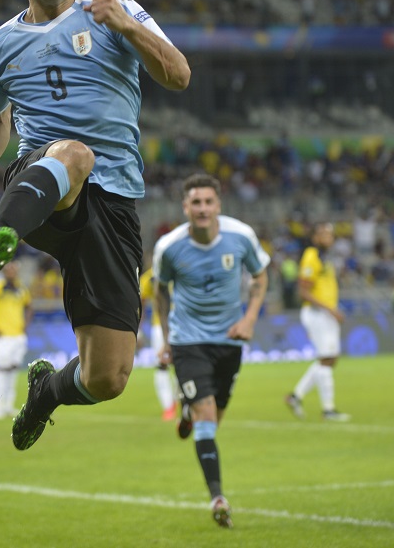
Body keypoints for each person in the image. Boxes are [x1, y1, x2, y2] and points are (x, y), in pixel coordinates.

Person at [0, 0, 190, 451]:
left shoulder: (117, 11)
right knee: (75, 154)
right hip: (42, 185)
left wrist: (126, 26)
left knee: (108, 377)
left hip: (115, 204)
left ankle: (46, 393)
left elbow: (178, 75)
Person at [152, 173, 270, 529]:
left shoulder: (241, 236)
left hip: (230, 339)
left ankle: (188, 408)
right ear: (185, 207)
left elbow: (261, 276)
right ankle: (218, 497)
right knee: (207, 419)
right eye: (195, 203)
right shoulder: (169, 247)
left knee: (213, 418)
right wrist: (166, 340)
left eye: (208, 202)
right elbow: (161, 291)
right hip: (188, 340)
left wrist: (250, 319)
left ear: (218, 205)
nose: (202, 209)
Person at [284, 222, 351, 422]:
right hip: (317, 313)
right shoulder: (311, 257)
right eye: (322, 234)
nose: (327, 237)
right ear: (315, 238)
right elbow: (303, 290)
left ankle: (295, 396)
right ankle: (328, 410)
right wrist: (331, 309)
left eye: (330, 234)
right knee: (327, 358)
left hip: (326, 313)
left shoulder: (326, 258)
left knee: (329, 359)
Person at [0, 260, 34, 419]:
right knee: (2, 370)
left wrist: (25, 325)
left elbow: (30, 307)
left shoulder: (21, 288)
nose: (12, 272)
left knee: (13, 370)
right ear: (4, 272)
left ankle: (9, 405)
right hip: (3, 337)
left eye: (14, 269)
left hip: (18, 336)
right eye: (9, 269)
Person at [139, 263, 177, 421]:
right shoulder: (149, 278)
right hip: (159, 328)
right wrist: (138, 330)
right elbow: (141, 303)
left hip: (183, 325)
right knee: (162, 366)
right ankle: (168, 406)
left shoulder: (179, 270)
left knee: (182, 364)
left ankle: (180, 401)